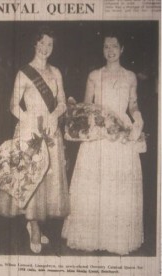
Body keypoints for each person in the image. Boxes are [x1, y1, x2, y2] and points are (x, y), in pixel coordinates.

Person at [62, 32, 144, 255]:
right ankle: (91, 236)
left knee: (118, 185)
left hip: (120, 135)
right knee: (94, 185)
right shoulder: (94, 75)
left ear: (122, 49)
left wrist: (137, 118)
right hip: (98, 135)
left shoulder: (130, 77)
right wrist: (91, 119)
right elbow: (85, 107)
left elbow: (133, 105)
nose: (110, 50)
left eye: (114, 46)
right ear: (102, 49)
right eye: (106, 46)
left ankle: (116, 238)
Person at [0, 26, 69, 254]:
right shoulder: (24, 72)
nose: (46, 48)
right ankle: (34, 227)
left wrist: (54, 116)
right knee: (32, 177)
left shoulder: (56, 72)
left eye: (50, 45)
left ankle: (35, 222)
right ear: (35, 44)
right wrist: (28, 122)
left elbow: (62, 101)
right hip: (30, 131)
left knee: (48, 179)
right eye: (42, 43)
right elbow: (13, 105)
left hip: (51, 131)